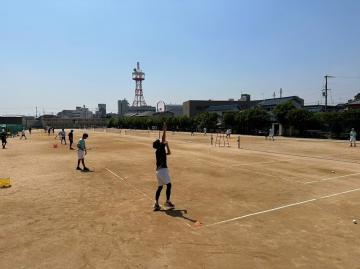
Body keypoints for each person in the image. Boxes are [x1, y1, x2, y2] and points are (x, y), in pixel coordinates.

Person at [153, 123, 174, 211]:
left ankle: (156, 204)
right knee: (169, 185)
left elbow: (169, 153)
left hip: (158, 171)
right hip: (163, 170)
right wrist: (164, 130)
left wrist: (167, 145)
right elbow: (163, 138)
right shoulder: (160, 148)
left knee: (160, 187)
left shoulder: (159, 151)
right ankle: (167, 202)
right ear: (159, 144)